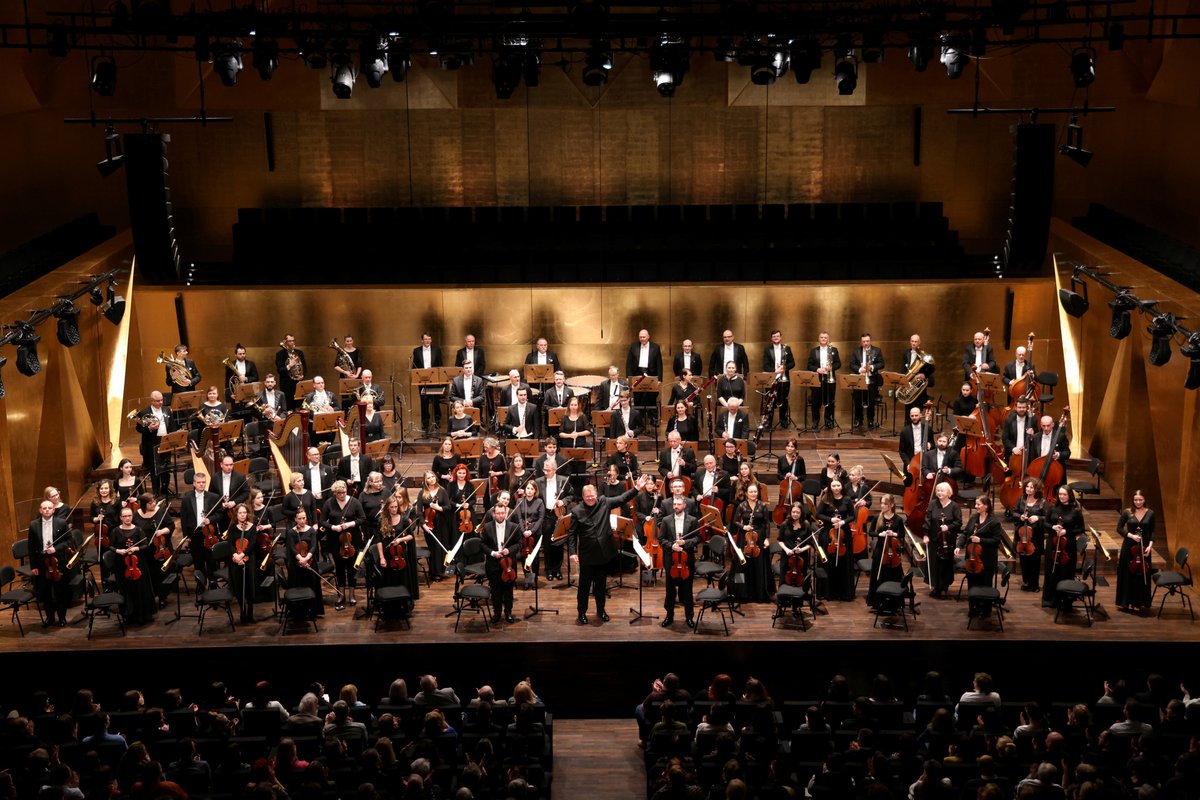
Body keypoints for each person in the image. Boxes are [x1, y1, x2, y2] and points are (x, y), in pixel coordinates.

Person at [569, 474, 651, 624]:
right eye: (587, 497)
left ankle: (601, 611)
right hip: (587, 555)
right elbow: (572, 534)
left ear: (596, 495)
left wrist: (636, 488)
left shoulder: (604, 502)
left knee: (601, 586)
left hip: (603, 553)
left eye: (592, 496)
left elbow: (622, 498)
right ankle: (581, 613)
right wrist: (573, 552)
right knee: (584, 587)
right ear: (583, 497)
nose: (590, 499)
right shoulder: (576, 511)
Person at [28, 499, 73, 627]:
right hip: (41, 562)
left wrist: (56, 548)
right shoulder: (33, 525)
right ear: (40, 510)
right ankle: (50, 618)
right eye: (44, 508)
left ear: (54, 510)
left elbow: (69, 541)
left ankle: (62, 618)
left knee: (60, 591)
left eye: (49, 508)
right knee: (45, 592)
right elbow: (31, 546)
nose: (47, 510)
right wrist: (33, 566)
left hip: (58, 560)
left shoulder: (61, 523)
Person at [323, 480, 365, 610]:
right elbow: (322, 521)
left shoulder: (354, 502)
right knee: (340, 567)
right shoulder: (329, 503)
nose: (342, 495)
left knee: (352, 568)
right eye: (339, 493)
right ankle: (341, 595)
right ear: (335, 493)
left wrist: (349, 524)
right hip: (335, 540)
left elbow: (362, 519)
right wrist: (333, 527)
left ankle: (352, 594)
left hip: (353, 539)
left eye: (344, 492)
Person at [957, 496, 1003, 617]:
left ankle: (985, 610)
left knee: (984, 585)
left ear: (986, 506)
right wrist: (959, 546)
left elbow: (996, 541)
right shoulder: (973, 518)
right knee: (972, 584)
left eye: (978, 504)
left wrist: (980, 540)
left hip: (986, 560)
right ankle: (973, 608)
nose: (976, 506)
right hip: (972, 559)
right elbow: (965, 533)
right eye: (976, 504)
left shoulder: (994, 522)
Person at [659, 495, 699, 628]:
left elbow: (698, 538)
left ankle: (689, 617)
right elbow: (661, 539)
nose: (676, 506)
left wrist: (685, 542)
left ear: (684, 505)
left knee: (687, 590)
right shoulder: (666, 520)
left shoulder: (692, 520)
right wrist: (671, 546)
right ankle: (669, 616)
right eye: (674, 504)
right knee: (670, 590)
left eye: (678, 504)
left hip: (687, 560)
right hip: (671, 560)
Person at [112, 505, 155, 625]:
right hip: (122, 563)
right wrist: (118, 551)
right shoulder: (115, 531)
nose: (127, 518)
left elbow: (145, 545)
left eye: (129, 516)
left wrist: (136, 548)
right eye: (125, 516)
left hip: (137, 563)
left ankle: (141, 615)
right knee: (126, 588)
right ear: (121, 517)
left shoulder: (138, 530)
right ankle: (128, 614)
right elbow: (111, 546)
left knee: (140, 588)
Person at [732, 483, 773, 603]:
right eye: (751, 492)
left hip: (758, 538)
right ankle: (742, 593)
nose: (753, 494)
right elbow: (735, 521)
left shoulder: (762, 506)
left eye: (755, 492)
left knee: (759, 565)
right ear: (746, 493)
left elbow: (767, 523)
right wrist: (743, 527)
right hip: (744, 538)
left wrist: (767, 538)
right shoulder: (742, 506)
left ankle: (759, 593)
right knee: (742, 565)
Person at [1043, 484, 1083, 609]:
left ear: (1069, 495)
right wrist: (1053, 527)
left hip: (1068, 545)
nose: (1061, 496)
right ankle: (1050, 599)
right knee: (1051, 571)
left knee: (1066, 571)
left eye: (1064, 494)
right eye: (1060, 494)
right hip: (1053, 543)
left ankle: (1066, 601)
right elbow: (1045, 523)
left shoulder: (1075, 510)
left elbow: (1081, 528)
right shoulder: (1052, 507)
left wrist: (1067, 531)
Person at [480, 503, 520, 624]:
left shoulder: (513, 527)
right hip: (493, 563)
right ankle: (497, 613)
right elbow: (482, 544)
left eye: (503, 513)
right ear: (493, 514)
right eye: (498, 513)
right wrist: (492, 553)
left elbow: (519, 544)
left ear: (506, 513)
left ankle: (508, 612)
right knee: (495, 590)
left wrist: (509, 550)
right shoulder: (487, 527)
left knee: (508, 590)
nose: (501, 515)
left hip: (508, 564)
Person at [1116, 489, 1155, 613]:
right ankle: (1126, 602)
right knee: (1128, 574)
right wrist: (1131, 536)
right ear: (1132, 500)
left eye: (1140, 500)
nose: (1138, 502)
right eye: (1135, 500)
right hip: (1129, 547)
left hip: (1144, 548)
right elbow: (1119, 528)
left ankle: (1138, 602)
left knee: (1141, 575)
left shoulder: (1150, 513)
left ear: (1144, 500)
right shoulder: (1127, 512)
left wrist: (1150, 546)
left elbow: (1152, 532)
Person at [376, 492, 420, 601]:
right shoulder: (382, 520)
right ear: (387, 507)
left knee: (402, 578)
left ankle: (403, 601)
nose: (394, 509)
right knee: (388, 578)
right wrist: (381, 557)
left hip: (400, 554)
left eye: (396, 507)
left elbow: (410, 536)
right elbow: (379, 541)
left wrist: (400, 539)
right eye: (392, 507)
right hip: (387, 554)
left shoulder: (404, 519)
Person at [181, 472, 221, 591]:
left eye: (203, 482)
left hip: (209, 533)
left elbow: (220, 514)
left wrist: (210, 520)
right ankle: (201, 584)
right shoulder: (187, 498)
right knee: (198, 561)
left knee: (211, 561)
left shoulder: (213, 497)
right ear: (194, 483)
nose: (201, 484)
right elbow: (183, 518)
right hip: (194, 534)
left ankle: (213, 585)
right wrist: (186, 535)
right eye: (199, 482)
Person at [816, 481, 855, 601]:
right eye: (833, 486)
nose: (836, 488)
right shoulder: (825, 499)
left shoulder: (847, 499)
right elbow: (818, 514)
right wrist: (830, 519)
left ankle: (844, 592)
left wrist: (843, 522)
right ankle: (828, 592)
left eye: (838, 485)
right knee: (829, 561)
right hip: (828, 532)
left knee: (843, 562)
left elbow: (852, 516)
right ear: (830, 487)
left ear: (842, 486)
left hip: (843, 533)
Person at [536, 458, 574, 581]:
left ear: (555, 469)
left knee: (559, 543)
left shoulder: (563, 480)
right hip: (546, 515)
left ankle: (557, 569)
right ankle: (549, 569)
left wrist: (563, 501)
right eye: (544, 469)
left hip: (559, 515)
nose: (545, 472)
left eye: (548, 470)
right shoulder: (538, 481)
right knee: (547, 544)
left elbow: (571, 495)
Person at [923, 482, 961, 598]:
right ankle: (936, 587)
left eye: (942, 491)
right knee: (934, 563)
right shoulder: (933, 504)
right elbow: (927, 520)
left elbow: (958, 523)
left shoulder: (954, 506)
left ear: (948, 493)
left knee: (945, 563)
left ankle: (944, 587)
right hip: (934, 539)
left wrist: (948, 527)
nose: (939, 493)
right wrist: (925, 535)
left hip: (948, 541)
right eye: (938, 490)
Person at [286, 509, 323, 620]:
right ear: (295, 519)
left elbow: (314, 546)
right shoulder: (291, 532)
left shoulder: (311, 530)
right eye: (299, 519)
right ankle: (298, 612)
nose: (302, 521)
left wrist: (306, 559)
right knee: (298, 587)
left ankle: (312, 611)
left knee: (312, 586)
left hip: (310, 563)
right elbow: (292, 548)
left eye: (304, 518)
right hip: (296, 565)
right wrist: (301, 559)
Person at [226, 502, 260, 624]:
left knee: (250, 585)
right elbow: (230, 544)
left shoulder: (252, 527)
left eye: (244, 512)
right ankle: (242, 609)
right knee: (239, 585)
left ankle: (250, 611)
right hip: (235, 559)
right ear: (236, 514)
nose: (242, 515)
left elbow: (252, 544)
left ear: (247, 514)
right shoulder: (232, 527)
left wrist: (242, 555)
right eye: (240, 513)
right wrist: (235, 555)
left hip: (249, 558)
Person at [134, 391, 173, 496]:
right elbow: (138, 428)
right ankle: (156, 491)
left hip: (166, 441)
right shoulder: (144, 412)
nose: (160, 402)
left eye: (161, 400)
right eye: (157, 401)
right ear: (152, 401)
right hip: (152, 443)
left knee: (166, 466)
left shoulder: (167, 410)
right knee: (155, 468)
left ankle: (165, 488)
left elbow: (172, 425)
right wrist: (149, 428)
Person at [1012, 477, 1048, 591]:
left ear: (1037, 489)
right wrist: (1020, 516)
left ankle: (1034, 585)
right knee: (1023, 560)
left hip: (1035, 536)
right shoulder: (1021, 499)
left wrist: (1038, 518)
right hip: (1022, 535)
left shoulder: (1042, 502)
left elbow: (1048, 518)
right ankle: (1026, 582)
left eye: (1032, 487)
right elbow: (1014, 512)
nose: (1029, 489)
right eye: (1027, 486)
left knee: (1035, 560)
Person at [417, 471, 452, 580]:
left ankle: (441, 571)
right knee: (433, 547)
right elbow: (419, 512)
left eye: (433, 476)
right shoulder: (422, 492)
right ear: (425, 480)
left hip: (441, 523)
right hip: (429, 524)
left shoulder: (442, 490)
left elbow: (448, 507)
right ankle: (433, 572)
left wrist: (439, 508)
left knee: (441, 546)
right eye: (428, 478)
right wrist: (423, 525)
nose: (431, 479)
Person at [626, 328, 663, 421]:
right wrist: (628, 377)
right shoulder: (633, 346)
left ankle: (653, 419)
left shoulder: (655, 347)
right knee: (638, 397)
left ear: (648, 337)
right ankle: (639, 420)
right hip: (637, 373)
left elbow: (659, 364)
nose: (642, 339)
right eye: (640, 337)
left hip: (651, 374)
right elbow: (629, 362)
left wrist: (659, 379)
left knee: (652, 397)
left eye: (644, 337)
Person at [512, 480, 545, 585]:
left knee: (534, 557)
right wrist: (523, 531)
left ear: (535, 491)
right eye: (528, 488)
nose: (529, 491)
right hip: (523, 532)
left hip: (535, 532)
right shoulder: (520, 501)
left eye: (532, 489)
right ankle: (527, 578)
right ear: (525, 490)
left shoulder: (539, 502)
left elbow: (540, 519)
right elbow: (519, 518)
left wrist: (531, 531)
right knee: (524, 556)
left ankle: (534, 578)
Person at [849, 333, 884, 431]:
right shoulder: (856, 351)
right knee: (858, 400)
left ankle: (870, 419)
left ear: (870, 341)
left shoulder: (877, 350)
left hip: (872, 380)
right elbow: (851, 365)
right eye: (863, 341)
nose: (865, 343)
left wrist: (872, 367)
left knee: (871, 401)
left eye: (867, 341)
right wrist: (860, 369)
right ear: (861, 342)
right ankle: (858, 419)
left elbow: (882, 364)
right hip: (860, 380)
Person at [806, 331, 841, 430]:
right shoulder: (813, 351)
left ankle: (828, 420)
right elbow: (809, 365)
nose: (823, 339)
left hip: (830, 378)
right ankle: (815, 421)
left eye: (825, 337)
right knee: (815, 401)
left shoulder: (834, 350)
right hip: (817, 378)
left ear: (828, 339)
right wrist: (817, 369)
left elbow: (838, 363)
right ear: (818, 339)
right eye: (822, 337)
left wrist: (831, 368)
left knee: (830, 400)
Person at [762, 329, 796, 427]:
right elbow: (765, 365)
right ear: (771, 338)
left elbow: (792, 363)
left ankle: (783, 421)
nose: (776, 338)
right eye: (774, 336)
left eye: (777, 336)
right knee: (770, 400)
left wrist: (784, 368)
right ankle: (768, 422)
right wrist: (775, 370)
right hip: (771, 378)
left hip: (784, 379)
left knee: (784, 400)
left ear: (781, 337)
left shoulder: (787, 348)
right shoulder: (767, 349)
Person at [411, 333, 444, 432]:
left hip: (434, 380)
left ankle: (437, 421)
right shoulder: (416, 351)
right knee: (424, 402)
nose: (427, 341)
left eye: (429, 339)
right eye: (425, 339)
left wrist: (439, 380)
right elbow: (415, 365)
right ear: (422, 340)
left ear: (431, 340)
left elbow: (440, 365)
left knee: (435, 401)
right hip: (422, 380)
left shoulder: (437, 350)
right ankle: (425, 423)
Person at [899, 334, 935, 411]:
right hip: (908, 383)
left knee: (917, 409)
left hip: (918, 386)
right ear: (910, 342)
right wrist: (902, 380)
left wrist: (925, 374)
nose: (913, 343)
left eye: (915, 341)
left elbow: (932, 368)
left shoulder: (924, 355)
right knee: (908, 408)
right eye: (912, 341)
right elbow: (902, 368)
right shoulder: (906, 353)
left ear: (919, 342)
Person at [275, 334, 307, 405]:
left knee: (300, 405)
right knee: (289, 406)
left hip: (298, 383)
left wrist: (302, 375)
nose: (292, 342)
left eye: (293, 340)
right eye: (290, 341)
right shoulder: (280, 354)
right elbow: (280, 370)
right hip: (287, 385)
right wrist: (289, 365)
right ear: (285, 342)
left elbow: (304, 367)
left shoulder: (300, 353)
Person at [1002, 396, 1036, 460]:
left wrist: (1033, 435)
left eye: (1023, 407)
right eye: (1019, 407)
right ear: (1015, 408)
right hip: (1012, 454)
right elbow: (1004, 438)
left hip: (1027, 455)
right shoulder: (1009, 420)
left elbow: (1037, 438)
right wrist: (1014, 448)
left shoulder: (1032, 420)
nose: (1021, 409)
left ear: (1027, 408)